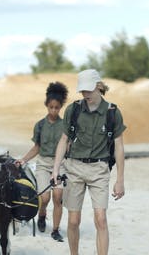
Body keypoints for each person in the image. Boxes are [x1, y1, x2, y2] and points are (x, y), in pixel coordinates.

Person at [52, 69, 126, 255]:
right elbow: (63, 141)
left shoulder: (113, 113)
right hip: (74, 168)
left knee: (100, 219)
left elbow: (119, 147)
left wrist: (120, 180)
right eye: (82, 91)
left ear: (98, 86)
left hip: (99, 170)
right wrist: (55, 170)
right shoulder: (73, 110)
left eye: (88, 90)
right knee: (73, 221)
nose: (85, 94)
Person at [16, 82, 68, 242]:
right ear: (46, 105)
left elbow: (68, 146)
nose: (53, 110)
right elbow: (37, 147)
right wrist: (23, 159)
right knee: (44, 198)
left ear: (61, 107)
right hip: (43, 164)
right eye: (51, 107)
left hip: (60, 164)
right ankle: (42, 214)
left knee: (58, 196)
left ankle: (55, 230)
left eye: (57, 107)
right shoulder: (39, 125)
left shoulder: (65, 125)